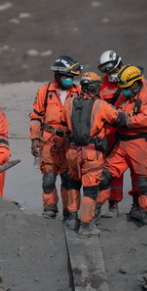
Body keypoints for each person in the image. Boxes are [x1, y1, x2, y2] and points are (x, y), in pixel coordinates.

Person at [61, 72, 127, 235]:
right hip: (91, 154)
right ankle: (86, 225)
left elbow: (63, 122)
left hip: (72, 152)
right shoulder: (100, 105)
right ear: (96, 88)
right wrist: (121, 111)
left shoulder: (69, 103)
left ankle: (72, 218)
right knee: (90, 190)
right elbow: (119, 120)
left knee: (73, 184)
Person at [99, 65, 147, 225]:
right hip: (121, 142)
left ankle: (146, 211)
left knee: (143, 180)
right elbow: (115, 111)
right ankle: (97, 210)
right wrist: (113, 116)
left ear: (136, 83)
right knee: (105, 175)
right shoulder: (123, 96)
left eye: (126, 87)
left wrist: (126, 120)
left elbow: (146, 119)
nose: (124, 91)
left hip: (140, 143)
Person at [29, 55, 83, 218]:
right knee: (48, 178)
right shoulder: (44, 91)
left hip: (69, 140)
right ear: (58, 75)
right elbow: (36, 117)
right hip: (48, 140)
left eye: (72, 76)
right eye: (68, 76)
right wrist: (34, 140)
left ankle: (69, 210)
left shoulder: (78, 92)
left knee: (68, 178)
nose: (70, 79)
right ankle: (50, 208)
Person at [97, 49, 136, 218]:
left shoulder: (134, 78)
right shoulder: (102, 84)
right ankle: (113, 205)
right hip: (110, 133)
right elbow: (97, 106)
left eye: (113, 69)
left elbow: (142, 101)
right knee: (113, 170)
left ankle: (138, 205)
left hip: (133, 132)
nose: (111, 73)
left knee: (137, 170)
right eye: (107, 70)